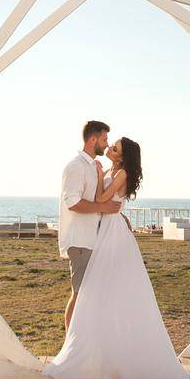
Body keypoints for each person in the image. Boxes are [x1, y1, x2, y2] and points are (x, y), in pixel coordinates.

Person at [44, 134, 190, 379]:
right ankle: (99, 348)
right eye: (111, 145)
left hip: (113, 232)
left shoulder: (121, 173)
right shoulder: (112, 169)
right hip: (105, 227)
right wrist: (101, 178)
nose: (110, 148)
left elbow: (101, 198)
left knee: (110, 287)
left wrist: (99, 178)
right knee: (100, 289)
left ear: (122, 155)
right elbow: (102, 198)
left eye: (115, 147)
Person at [58, 120, 121, 330]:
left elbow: (99, 198)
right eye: (104, 139)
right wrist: (101, 208)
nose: (106, 144)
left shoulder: (93, 167)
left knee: (89, 296)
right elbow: (73, 203)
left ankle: (82, 342)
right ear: (93, 139)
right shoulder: (75, 167)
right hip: (80, 240)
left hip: (92, 241)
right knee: (79, 295)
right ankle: (70, 346)